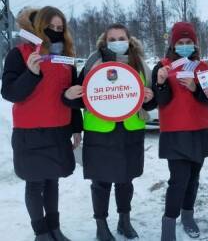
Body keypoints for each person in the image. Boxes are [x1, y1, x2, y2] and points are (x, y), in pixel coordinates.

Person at [63, 23, 156, 241]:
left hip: (130, 131)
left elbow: (151, 100)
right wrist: (70, 96)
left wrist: (150, 98)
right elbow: (79, 98)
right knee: (101, 182)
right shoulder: (94, 61)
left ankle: (125, 220)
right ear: (105, 41)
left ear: (129, 39)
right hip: (100, 132)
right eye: (111, 39)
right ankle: (101, 225)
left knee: (126, 180)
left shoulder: (140, 63)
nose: (116, 42)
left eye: (120, 37)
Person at [1, 6, 82, 241]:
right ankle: (41, 233)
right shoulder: (20, 54)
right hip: (31, 132)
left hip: (58, 131)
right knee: (35, 184)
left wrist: (76, 127)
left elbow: (71, 96)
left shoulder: (66, 58)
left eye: (60, 28)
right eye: (50, 27)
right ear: (38, 28)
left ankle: (55, 228)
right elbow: (9, 92)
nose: (55, 32)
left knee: (53, 182)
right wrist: (31, 73)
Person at [152, 22, 208, 241]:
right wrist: (160, 83)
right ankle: (168, 224)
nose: (185, 46)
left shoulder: (204, 68)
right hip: (175, 133)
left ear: (195, 44)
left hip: (200, 130)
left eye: (189, 43)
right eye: (180, 42)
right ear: (173, 44)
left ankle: (188, 216)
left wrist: (195, 88)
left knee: (194, 178)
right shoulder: (163, 66)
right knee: (179, 180)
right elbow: (159, 101)